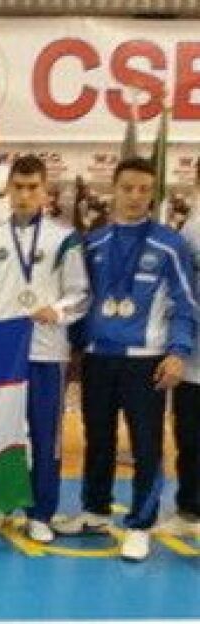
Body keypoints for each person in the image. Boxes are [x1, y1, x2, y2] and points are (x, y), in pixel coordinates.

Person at [53, 157, 197, 562]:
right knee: (98, 439)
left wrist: (178, 352)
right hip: (98, 358)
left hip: (145, 361)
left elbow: (186, 303)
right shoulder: (93, 242)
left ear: (153, 194)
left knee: (146, 445)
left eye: (143, 190)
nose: (135, 197)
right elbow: (80, 299)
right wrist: (75, 348)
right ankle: (95, 511)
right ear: (113, 190)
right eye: (127, 188)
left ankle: (140, 524)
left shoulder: (170, 245)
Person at [0, 155, 90, 543]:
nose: (25, 195)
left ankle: (41, 512)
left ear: (46, 192)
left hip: (46, 351)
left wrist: (56, 311)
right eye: (18, 187)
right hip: (2, 355)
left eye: (32, 188)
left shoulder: (64, 238)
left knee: (45, 436)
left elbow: (81, 294)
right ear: (8, 190)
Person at [161, 209, 200, 538]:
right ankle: (189, 511)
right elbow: (178, 290)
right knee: (190, 438)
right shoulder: (192, 231)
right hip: (193, 357)